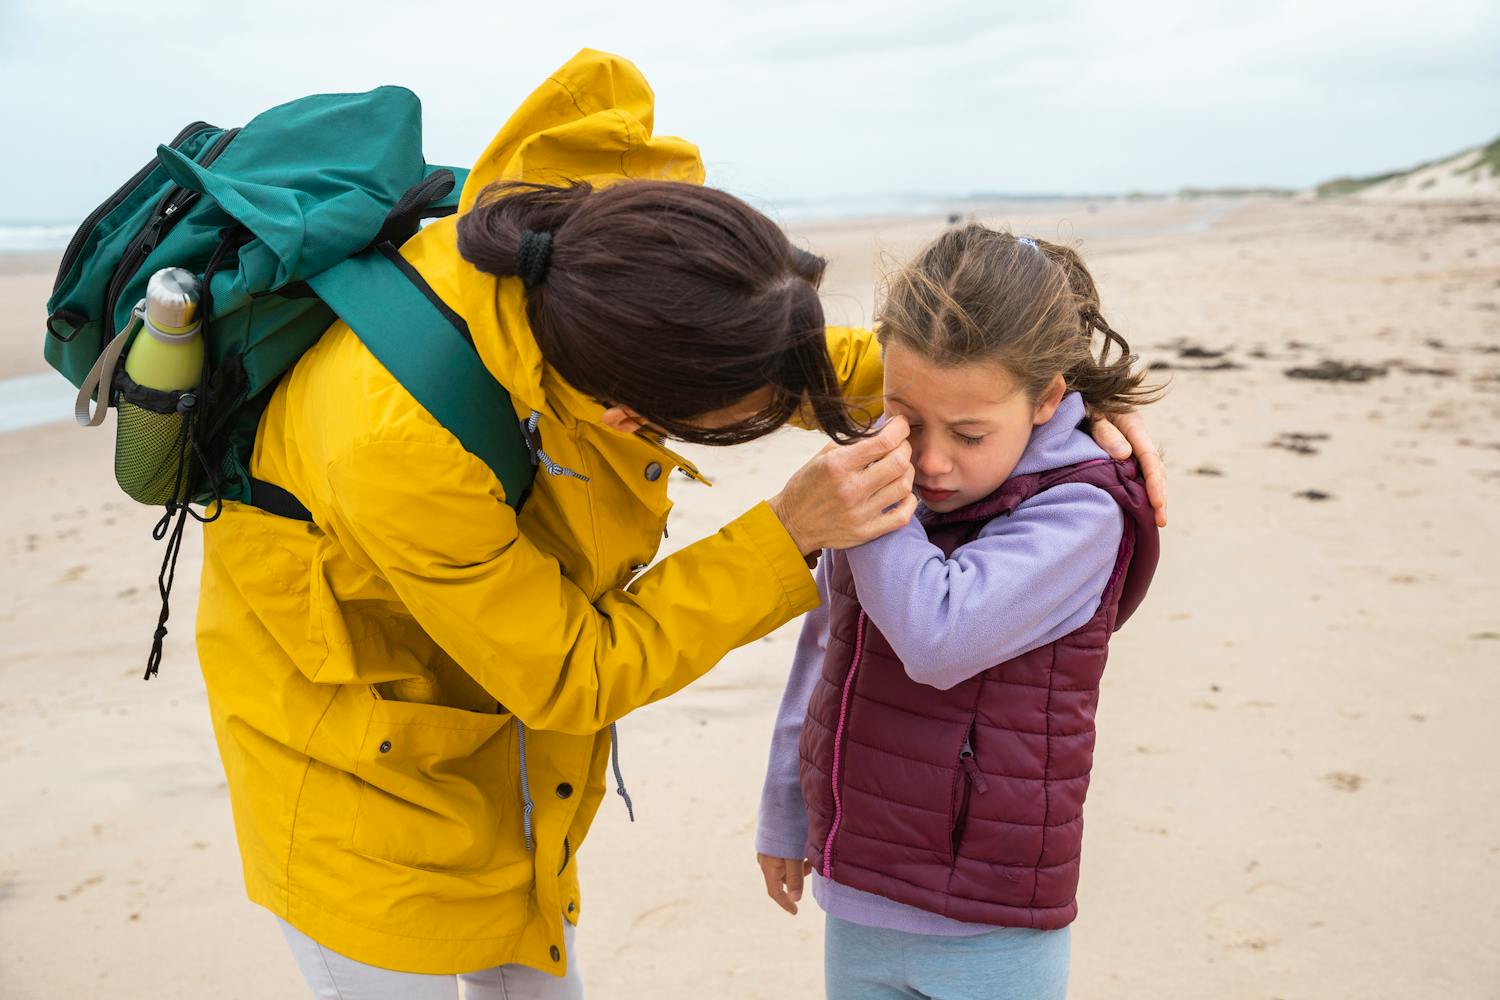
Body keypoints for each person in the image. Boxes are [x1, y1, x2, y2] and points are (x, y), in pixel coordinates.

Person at [194, 51, 1164, 998]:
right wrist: (782, 534)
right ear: (627, 418)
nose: (797, 395)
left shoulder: (624, 259)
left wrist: (1059, 407)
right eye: (750, 407)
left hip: (507, 741)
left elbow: (815, 355)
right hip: (352, 766)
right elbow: (574, 669)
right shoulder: (391, 441)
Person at [755, 226, 1163, 1000]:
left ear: (1048, 399)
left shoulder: (1081, 513)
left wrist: (875, 475)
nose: (934, 461)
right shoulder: (896, 499)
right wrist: (783, 811)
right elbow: (823, 649)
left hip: (989, 920)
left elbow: (937, 636)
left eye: (970, 434)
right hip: (860, 891)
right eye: (906, 416)